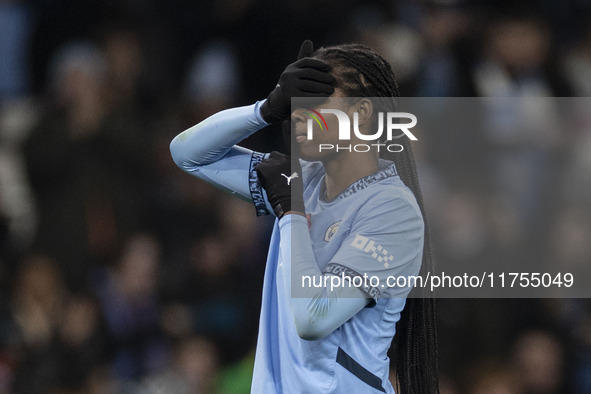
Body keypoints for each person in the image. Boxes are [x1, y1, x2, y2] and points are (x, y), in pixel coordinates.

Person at [170, 40, 438, 393]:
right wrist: (263, 110)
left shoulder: (393, 209)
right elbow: (187, 153)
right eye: (295, 98)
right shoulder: (300, 180)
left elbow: (314, 316)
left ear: (360, 113)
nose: (298, 112)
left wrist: (291, 211)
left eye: (316, 98)